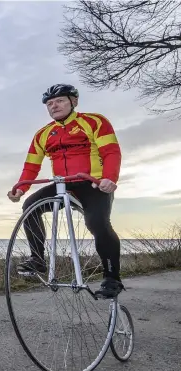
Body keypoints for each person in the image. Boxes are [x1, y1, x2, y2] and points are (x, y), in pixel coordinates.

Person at [7, 84, 124, 299]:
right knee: (29, 207)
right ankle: (37, 259)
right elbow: (31, 166)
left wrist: (109, 178)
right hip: (63, 184)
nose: (54, 106)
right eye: (49, 104)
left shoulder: (94, 122)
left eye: (59, 101)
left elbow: (111, 152)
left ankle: (112, 277)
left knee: (97, 223)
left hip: (93, 183)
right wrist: (21, 188)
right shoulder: (43, 134)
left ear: (74, 102)